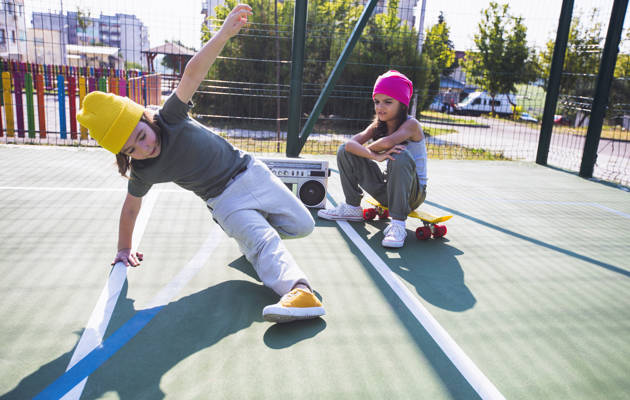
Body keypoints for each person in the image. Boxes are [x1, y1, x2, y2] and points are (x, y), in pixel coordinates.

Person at [76, 4, 324, 324]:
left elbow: (193, 72)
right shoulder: (144, 170)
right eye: (131, 149)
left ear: (144, 118)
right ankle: (299, 290)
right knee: (263, 241)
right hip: (223, 200)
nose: (144, 146)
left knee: (303, 225)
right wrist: (124, 248)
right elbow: (130, 207)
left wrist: (223, 34)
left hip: (251, 171)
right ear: (124, 156)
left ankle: (256, 248)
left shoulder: (171, 118)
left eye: (140, 135)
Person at [317, 70, 427, 248]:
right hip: (388, 192)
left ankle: (398, 224)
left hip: (412, 195)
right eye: (377, 101)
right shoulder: (377, 125)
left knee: (400, 154)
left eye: (388, 102)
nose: (380, 107)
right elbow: (348, 146)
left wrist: (371, 151)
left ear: (402, 104)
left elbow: (389, 142)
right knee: (344, 151)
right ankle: (352, 207)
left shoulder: (411, 125)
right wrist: (374, 156)